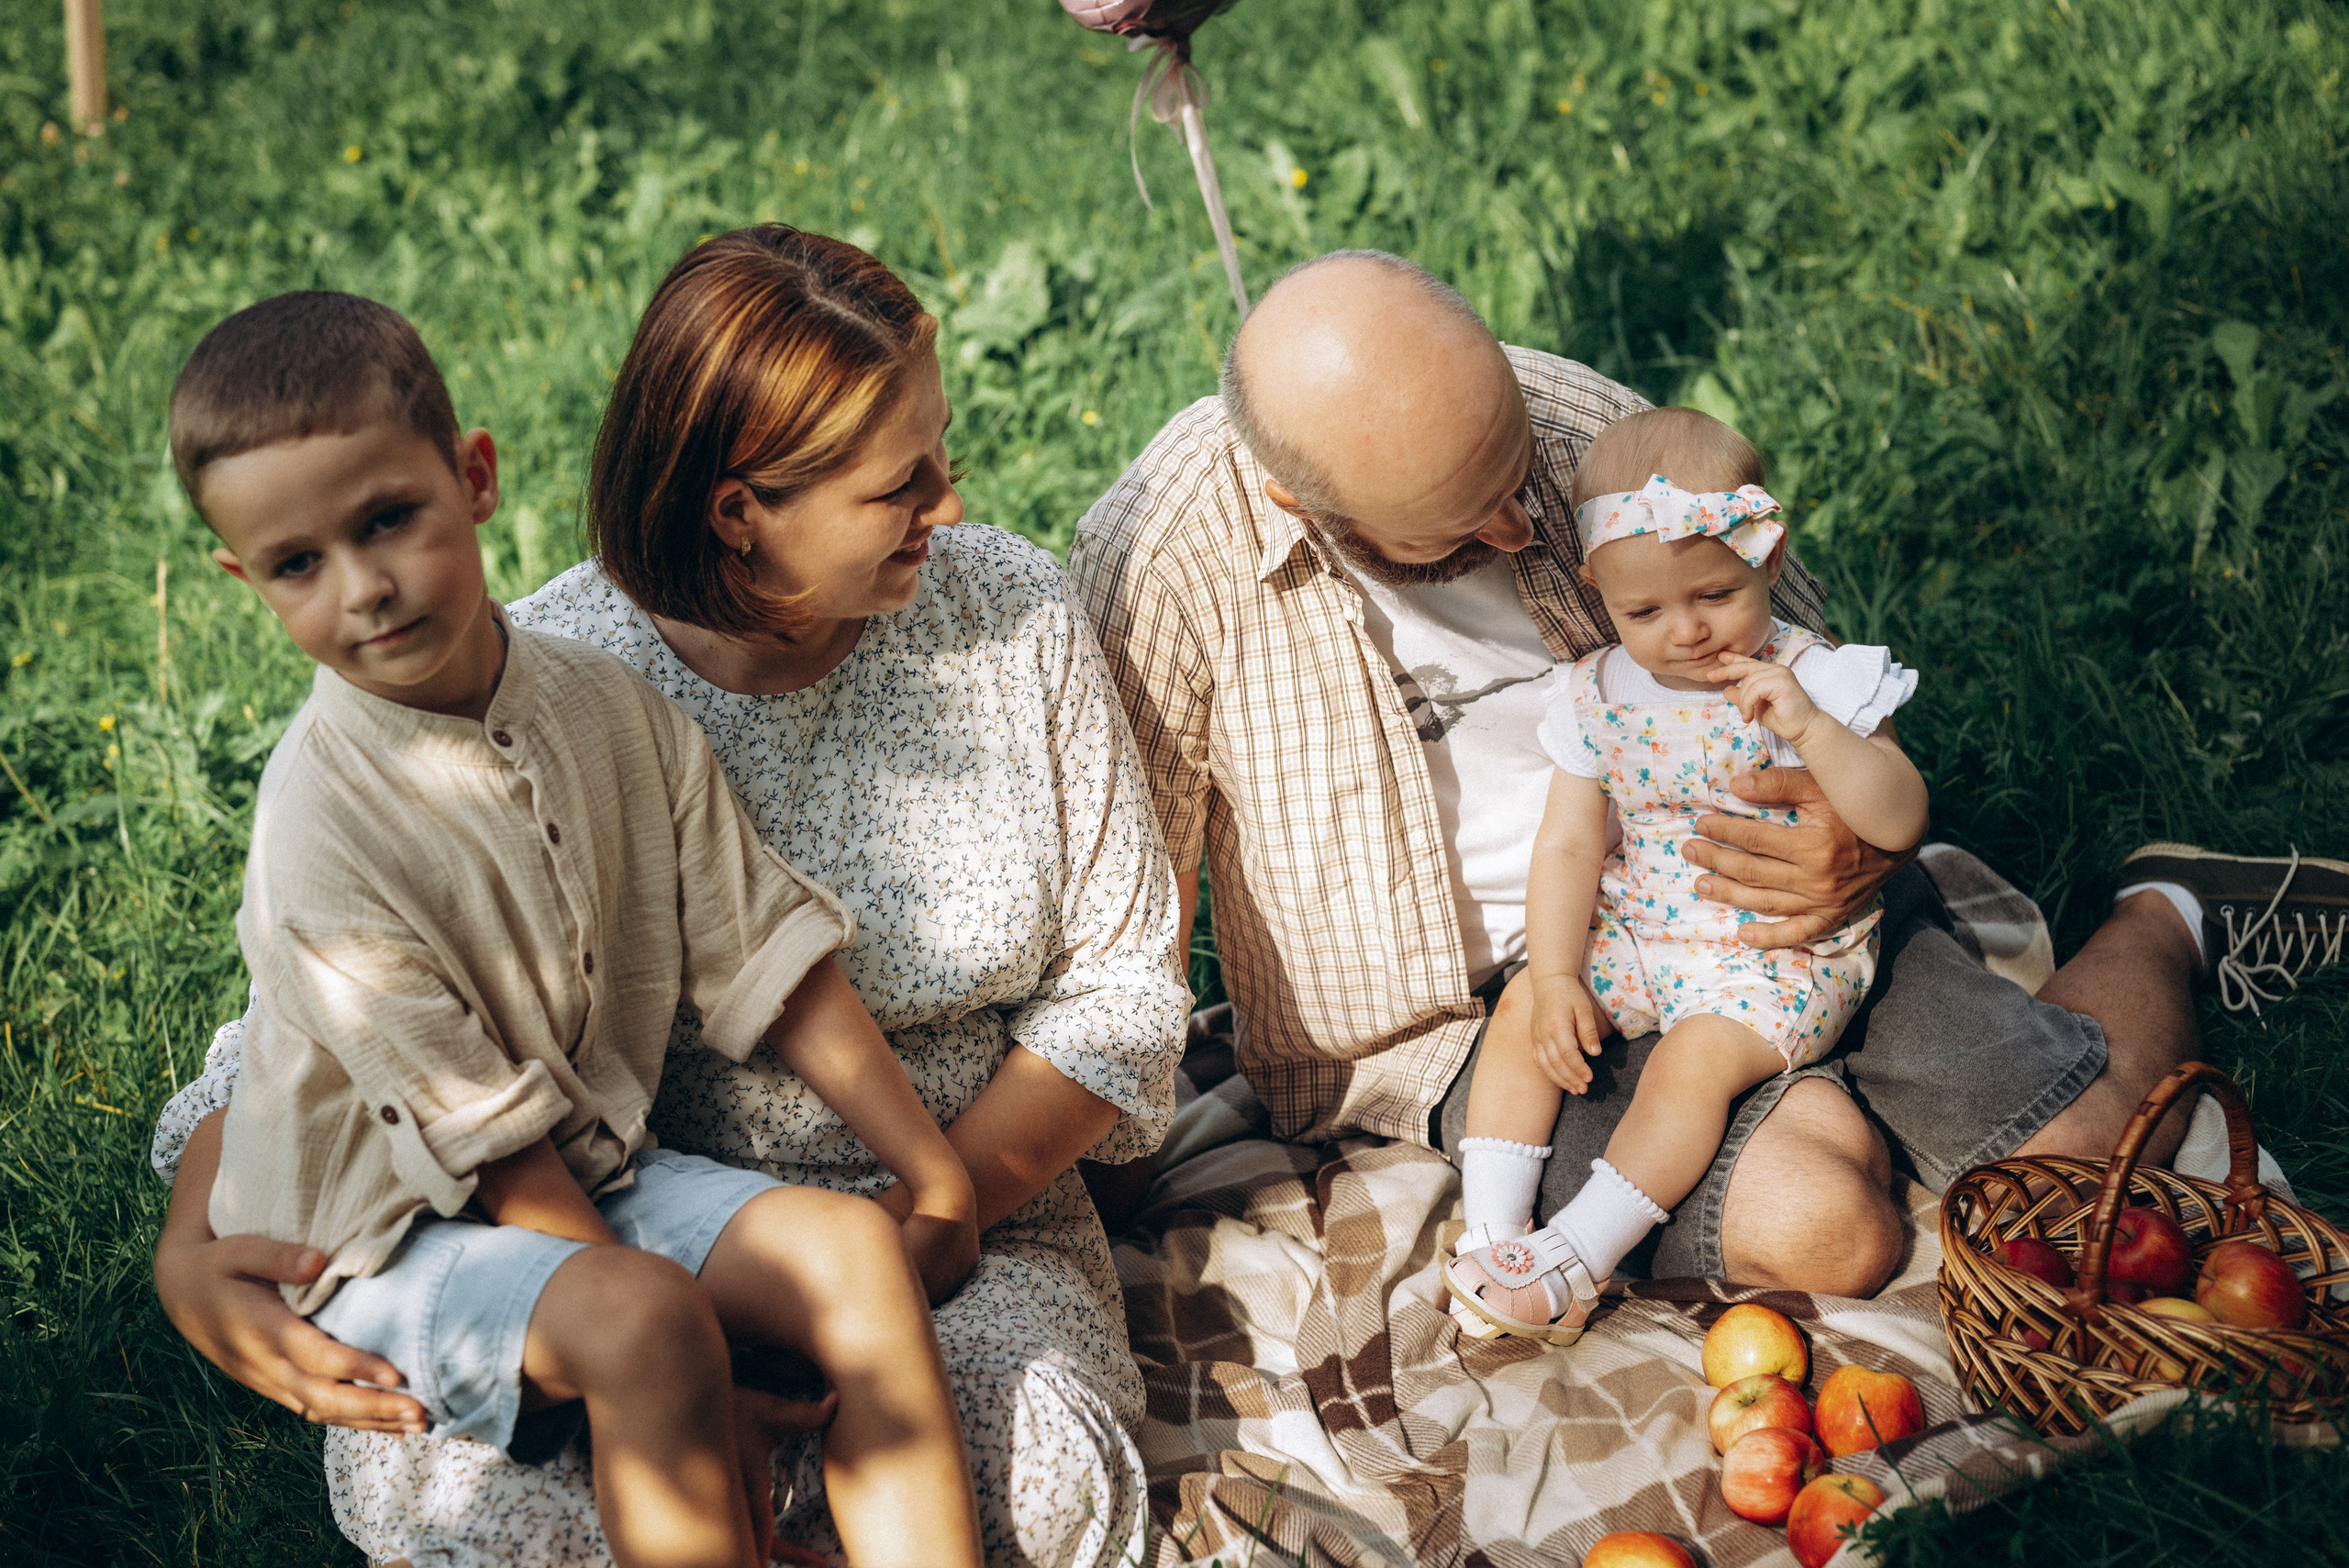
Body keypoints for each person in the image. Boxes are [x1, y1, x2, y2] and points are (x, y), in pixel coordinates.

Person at [150, 228, 1188, 1568]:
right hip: (543, 1232)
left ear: (466, 479)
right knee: (543, 1502)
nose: (949, 498)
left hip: (890, 1228)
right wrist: (196, 1248)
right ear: (738, 510)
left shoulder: (992, 613)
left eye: (942, 449)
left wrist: (944, 1188)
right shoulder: (537, 671)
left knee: (1028, 1483)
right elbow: (310, 1042)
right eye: (898, 483)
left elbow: (1069, 981)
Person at [1068, 248, 2325, 1299]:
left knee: (2091, 1143)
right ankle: (1819, 1120)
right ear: (1302, 500)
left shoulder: (1573, 428)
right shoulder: (1171, 562)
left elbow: (1810, 658)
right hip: (1498, 1008)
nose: (1522, 523)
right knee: (1830, 1225)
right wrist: (1107, 1180)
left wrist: (1863, 848)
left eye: (1520, 476)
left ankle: (2164, 910)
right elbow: (1129, 895)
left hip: (1783, 912)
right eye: (1464, 524)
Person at [1443, 408, 1925, 1344]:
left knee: (1689, 1061)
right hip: (1643, 931)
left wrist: (1812, 730)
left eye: (1714, 593)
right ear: (1599, 590)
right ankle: (1495, 1238)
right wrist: (1552, 980)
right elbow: (1570, 846)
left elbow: (1900, 817)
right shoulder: (1595, 691)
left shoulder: (1814, 676)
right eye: (1646, 611)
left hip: (1772, 954)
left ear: (1768, 561)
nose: (1688, 631)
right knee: (1520, 1015)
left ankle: (1577, 1256)